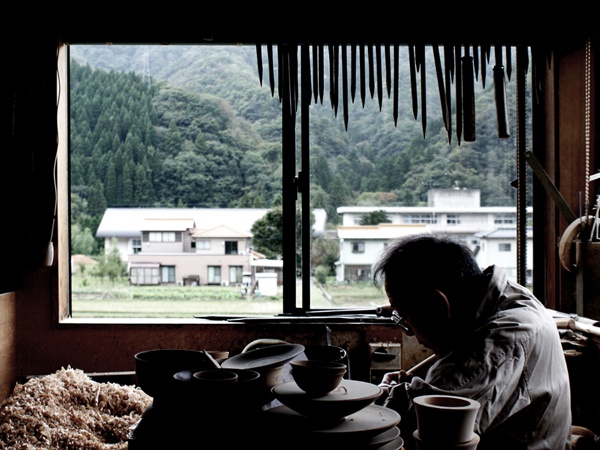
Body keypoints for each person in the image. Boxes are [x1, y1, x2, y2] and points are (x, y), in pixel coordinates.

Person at [372, 233, 572, 450]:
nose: (409, 332)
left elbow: (406, 427)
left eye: (404, 317)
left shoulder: (498, 343)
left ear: (438, 306)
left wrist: (387, 394)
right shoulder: (503, 297)